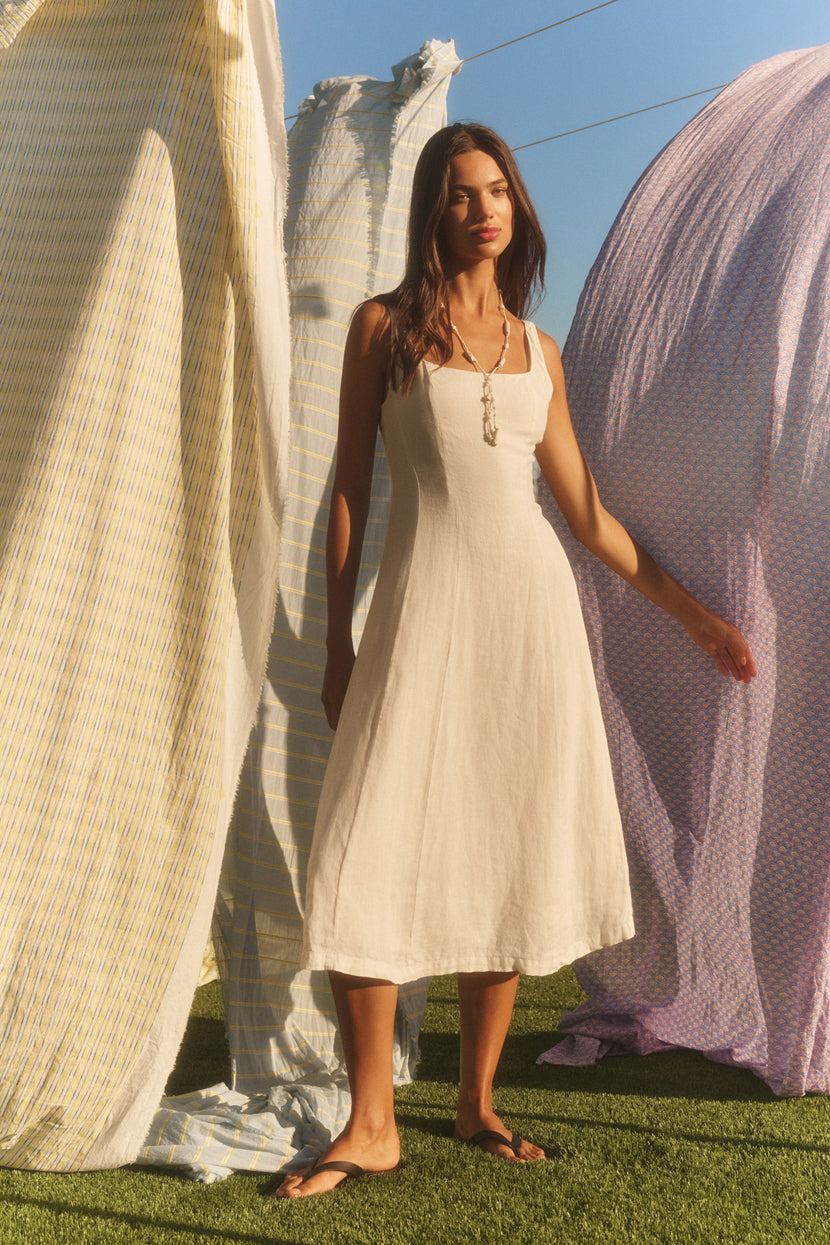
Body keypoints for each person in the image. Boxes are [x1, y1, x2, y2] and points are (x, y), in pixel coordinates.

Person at [275, 122, 756, 1199]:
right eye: (459, 193)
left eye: (496, 190)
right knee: (367, 847)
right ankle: (370, 1121)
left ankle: (475, 1101)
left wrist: (695, 618)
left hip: (528, 623)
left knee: (504, 846)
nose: (483, 208)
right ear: (430, 212)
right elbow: (346, 492)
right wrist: (334, 638)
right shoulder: (381, 330)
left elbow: (585, 517)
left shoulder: (540, 354)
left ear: (516, 208)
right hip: (415, 616)